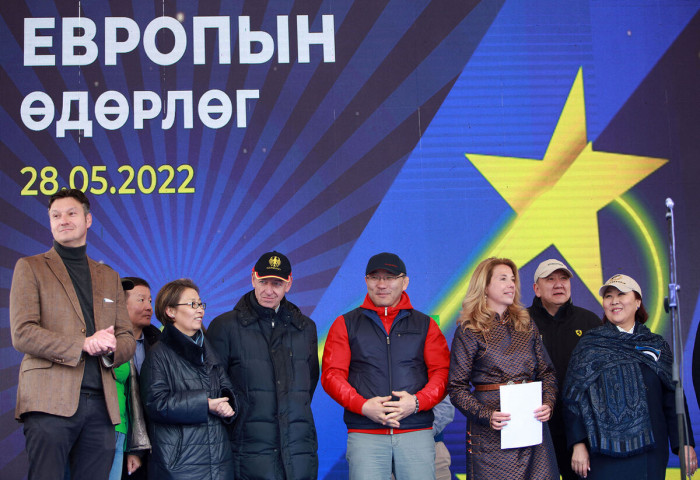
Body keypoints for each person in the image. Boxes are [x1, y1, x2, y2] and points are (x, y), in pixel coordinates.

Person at [9, 188, 135, 480]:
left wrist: (112, 348)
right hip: (47, 402)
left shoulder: (109, 276)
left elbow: (127, 336)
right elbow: (22, 333)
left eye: (71, 213)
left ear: (88, 220)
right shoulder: (30, 267)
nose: (63, 220)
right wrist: (84, 344)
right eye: (55, 215)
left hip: (101, 406)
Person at [322, 252, 450, 480]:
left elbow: (443, 373)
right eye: (375, 277)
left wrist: (417, 402)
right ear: (366, 281)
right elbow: (332, 375)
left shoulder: (426, 325)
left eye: (389, 277)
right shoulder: (345, 324)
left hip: (417, 431)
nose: (382, 284)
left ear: (405, 281)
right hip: (365, 433)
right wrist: (363, 406)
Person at [563, 274, 698, 479]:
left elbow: (673, 397)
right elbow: (573, 398)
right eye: (608, 296)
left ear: (637, 301)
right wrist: (578, 443)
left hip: (650, 452)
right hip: (602, 453)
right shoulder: (590, 346)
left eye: (621, 294)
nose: (614, 301)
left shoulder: (656, 346)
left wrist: (684, 443)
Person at [207, 251, 319, 479]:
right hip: (246, 451)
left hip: (298, 450)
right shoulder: (224, 326)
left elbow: (309, 385)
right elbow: (214, 387)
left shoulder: (305, 328)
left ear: (289, 284)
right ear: (252, 279)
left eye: (277, 283)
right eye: (263, 282)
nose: (269, 290)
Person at [447, 257, 558, 479]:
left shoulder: (526, 324)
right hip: (491, 433)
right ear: (484, 286)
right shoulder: (470, 330)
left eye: (513, 279)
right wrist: (486, 415)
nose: (511, 284)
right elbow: (456, 387)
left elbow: (547, 372)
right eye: (503, 279)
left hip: (531, 427)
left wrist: (548, 402)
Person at [140, 279, 237, 479]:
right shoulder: (158, 354)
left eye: (200, 304)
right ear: (170, 311)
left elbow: (227, 388)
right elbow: (156, 403)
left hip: (219, 463)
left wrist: (227, 403)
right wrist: (205, 404)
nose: (200, 310)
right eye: (192, 304)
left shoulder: (209, 349)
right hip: (179, 465)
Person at [528, 258, 600, 480]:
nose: (559, 284)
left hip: (581, 430)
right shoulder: (521, 322)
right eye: (550, 279)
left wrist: (584, 438)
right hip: (535, 426)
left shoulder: (589, 321)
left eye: (564, 278)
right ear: (536, 289)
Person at [120, 277, 161, 479]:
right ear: (120, 304)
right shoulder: (108, 344)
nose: (149, 307)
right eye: (141, 300)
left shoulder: (158, 342)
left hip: (154, 443)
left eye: (150, 301)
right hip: (119, 442)